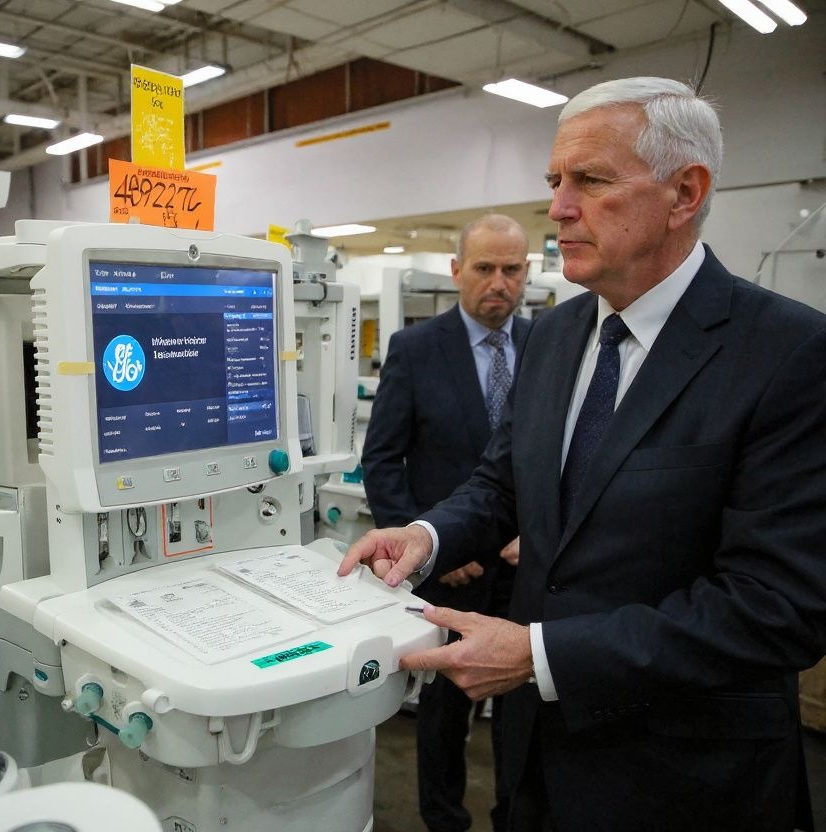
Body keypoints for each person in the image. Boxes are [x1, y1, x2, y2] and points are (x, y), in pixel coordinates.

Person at [340, 77, 826, 832]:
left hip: (682, 776)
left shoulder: (787, 353)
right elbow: (503, 480)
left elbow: (777, 608)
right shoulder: (561, 335)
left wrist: (540, 655)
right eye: (555, 182)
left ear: (684, 193)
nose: (560, 209)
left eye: (591, 181)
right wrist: (428, 536)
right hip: (536, 753)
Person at [361, 213, 531, 832]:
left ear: (527, 274)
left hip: (524, 570)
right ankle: (443, 818)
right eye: (484, 268)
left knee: (524, 707)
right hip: (447, 571)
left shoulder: (549, 348)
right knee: (444, 707)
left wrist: (529, 535)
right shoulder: (416, 349)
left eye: (512, 269)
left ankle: (515, 814)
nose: (498, 283)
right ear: (457, 270)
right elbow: (381, 461)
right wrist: (432, 546)